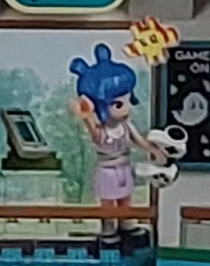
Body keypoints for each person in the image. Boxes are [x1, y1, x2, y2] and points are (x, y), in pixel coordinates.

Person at [68, 43, 169, 239]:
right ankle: (108, 228)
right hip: (107, 170)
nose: (126, 107)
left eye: (128, 100)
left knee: (125, 198)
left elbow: (139, 140)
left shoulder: (126, 126)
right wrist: (87, 116)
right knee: (108, 202)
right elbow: (94, 134)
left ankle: (126, 224)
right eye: (118, 103)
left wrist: (155, 151)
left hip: (123, 167)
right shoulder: (102, 131)